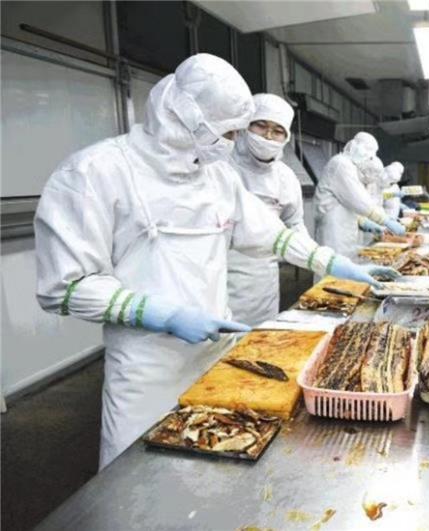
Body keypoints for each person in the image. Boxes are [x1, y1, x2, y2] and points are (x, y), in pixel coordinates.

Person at [34, 54, 396, 468]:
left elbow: (274, 235)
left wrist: (336, 264)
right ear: (185, 117)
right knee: (137, 478)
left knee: (212, 468)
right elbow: (65, 286)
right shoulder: (93, 173)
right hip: (147, 366)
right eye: (227, 132)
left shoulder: (217, 177)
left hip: (214, 353)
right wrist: (161, 314)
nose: (231, 142)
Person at [225, 93, 308, 326]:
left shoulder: (285, 177)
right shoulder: (221, 165)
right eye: (261, 126)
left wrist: (314, 256)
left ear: (286, 137)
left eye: (277, 131)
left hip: (265, 276)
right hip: (223, 271)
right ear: (245, 126)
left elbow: (294, 222)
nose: (268, 136)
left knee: (261, 336)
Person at [314, 132, 405, 258]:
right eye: (366, 150)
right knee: (332, 263)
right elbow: (359, 200)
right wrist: (386, 220)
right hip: (333, 229)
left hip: (344, 228)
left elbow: (350, 204)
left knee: (346, 262)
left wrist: (366, 223)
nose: (368, 155)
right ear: (354, 145)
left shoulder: (349, 166)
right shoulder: (340, 164)